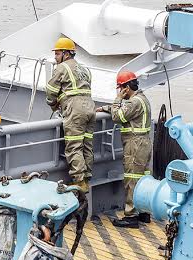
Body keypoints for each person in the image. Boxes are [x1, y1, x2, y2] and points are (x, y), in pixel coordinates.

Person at [98, 70, 152, 228]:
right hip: (144, 142)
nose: (119, 92)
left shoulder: (134, 102)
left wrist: (116, 100)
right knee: (143, 178)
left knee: (132, 179)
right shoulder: (141, 99)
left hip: (135, 144)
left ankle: (131, 215)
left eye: (120, 88)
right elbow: (124, 110)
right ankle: (144, 212)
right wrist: (107, 108)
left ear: (126, 88)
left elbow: (118, 116)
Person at [45, 37, 94, 193]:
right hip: (90, 107)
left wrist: (53, 104)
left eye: (57, 54)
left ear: (66, 54)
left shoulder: (61, 68)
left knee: (74, 146)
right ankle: (87, 176)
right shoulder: (84, 69)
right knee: (87, 144)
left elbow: (51, 91)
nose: (55, 57)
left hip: (75, 109)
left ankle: (79, 181)